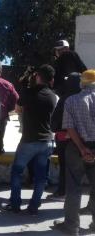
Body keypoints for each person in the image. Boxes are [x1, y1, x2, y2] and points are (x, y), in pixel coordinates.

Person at [0, 64, 57, 215]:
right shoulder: (53, 96)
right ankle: (34, 206)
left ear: (37, 76)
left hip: (29, 140)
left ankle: (15, 204)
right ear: (51, 79)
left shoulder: (28, 93)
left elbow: (17, 109)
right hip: (46, 141)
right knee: (40, 176)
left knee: (17, 172)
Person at [52, 70, 95, 236]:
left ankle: (71, 227)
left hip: (76, 148)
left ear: (82, 83)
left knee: (74, 188)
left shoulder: (71, 100)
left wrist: (83, 148)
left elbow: (69, 126)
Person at [46, 73, 81, 201]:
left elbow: (54, 122)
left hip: (64, 138)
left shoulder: (65, 99)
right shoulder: (85, 98)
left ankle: (62, 192)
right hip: (82, 140)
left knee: (64, 166)